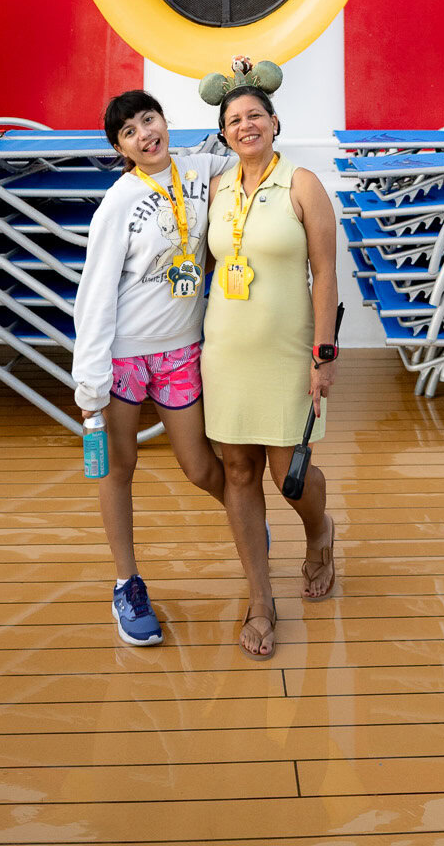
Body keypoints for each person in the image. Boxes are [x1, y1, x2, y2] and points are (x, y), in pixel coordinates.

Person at [72, 90, 227, 647]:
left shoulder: (201, 169)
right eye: (129, 132)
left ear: (164, 120)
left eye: (148, 119)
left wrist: (241, 83)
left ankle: (247, 525)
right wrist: (90, 380)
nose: (144, 134)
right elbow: (95, 294)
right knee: (119, 468)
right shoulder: (118, 202)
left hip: (180, 350)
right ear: (121, 148)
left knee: (200, 467)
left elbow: (246, 138)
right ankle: (127, 584)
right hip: (123, 356)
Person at [202, 79, 341, 659]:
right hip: (226, 351)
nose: (246, 125)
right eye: (235, 120)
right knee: (238, 470)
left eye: (255, 115)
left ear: (275, 123)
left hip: (287, 352)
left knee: (290, 475)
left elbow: (326, 273)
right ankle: (261, 599)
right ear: (223, 134)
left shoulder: (303, 184)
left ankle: (319, 531)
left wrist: (324, 354)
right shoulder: (215, 189)